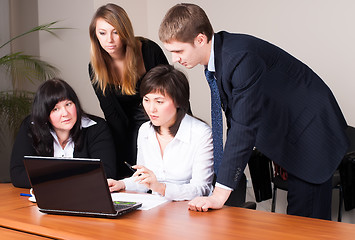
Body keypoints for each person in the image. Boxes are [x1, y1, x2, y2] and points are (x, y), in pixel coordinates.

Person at [159, 3, 349, 220]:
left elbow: (243, 125)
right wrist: (226, 185)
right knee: (297, 221)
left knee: (307, 223)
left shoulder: (239, 58)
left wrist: (220, 194)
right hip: (292, 132)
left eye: (178, 51)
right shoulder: (221, 57)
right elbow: (237, 119)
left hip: (312, 133)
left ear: (200, 39)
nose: (175, 59)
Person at [107, 65, 214, 201]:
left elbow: (201, 189)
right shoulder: (145, 130)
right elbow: (144, 180)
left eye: (159, 101)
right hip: (156, 208)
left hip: (191, 210)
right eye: (146, 100)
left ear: (178, 102)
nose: (151, 109)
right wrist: (121, 184)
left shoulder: (200, 133)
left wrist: (160, 188)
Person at [89, 3, 169, 179]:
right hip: (125, 126)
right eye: (102, 33)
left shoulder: (148, 50)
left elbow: (172, 93)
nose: (109, 40)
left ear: (125, 31)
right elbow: (112, 115)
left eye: (115, 32)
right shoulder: (95, 68)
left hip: (159, 117)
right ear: (95, 35)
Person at [10, 78, 116, 188]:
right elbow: (18, 174)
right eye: (55, 109)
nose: (65, 113)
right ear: (44, 114)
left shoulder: (96, 127)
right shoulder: (31, 126)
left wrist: (50, 178)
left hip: (86, 199)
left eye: (68, 104)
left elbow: (106, 173)